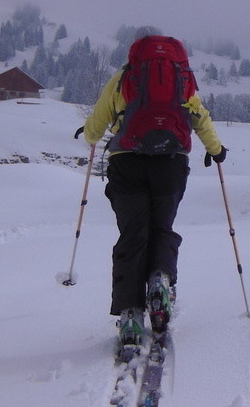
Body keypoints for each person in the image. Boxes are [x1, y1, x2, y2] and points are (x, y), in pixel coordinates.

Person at [80, 27, 227, 354]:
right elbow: (199, 116)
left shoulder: (124, 77)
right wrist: (215, 149)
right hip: (171, 163)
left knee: (133, 233)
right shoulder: (181, 77)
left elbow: (98, 122)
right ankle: (160, 282)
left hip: (127, 163)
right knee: (162, 228)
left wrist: (90, 136)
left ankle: (131, 313)